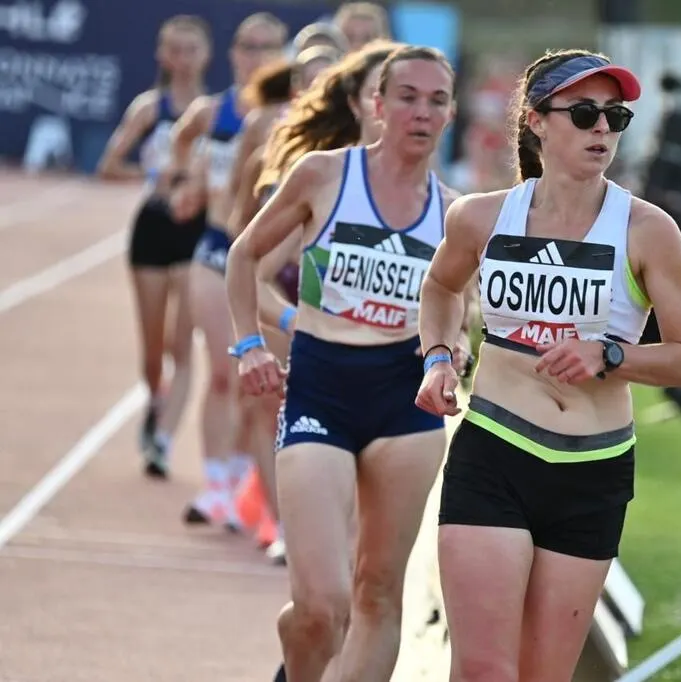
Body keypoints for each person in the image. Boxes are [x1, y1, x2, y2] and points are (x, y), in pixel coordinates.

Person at [414, 49, 681, 680]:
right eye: (583, 113)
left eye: (615, 116)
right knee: (484, 670)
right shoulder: (482, 217)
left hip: (591, 470)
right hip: (493, 451)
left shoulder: (648, 230)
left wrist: (611, 353)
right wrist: (439, 356)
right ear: (538, 122)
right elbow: (440, 289)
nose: (602, 128)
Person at [225, 44, 472, 682]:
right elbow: (244, 256)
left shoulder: (454, 212)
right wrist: (250, 344)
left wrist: (453, 353)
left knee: (378, 594)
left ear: (450, 114)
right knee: (320, 606)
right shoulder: (324, 176)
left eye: (436, 100)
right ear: (377, 105)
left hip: (403, 400)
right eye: (408, 97)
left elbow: (457, 310)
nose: (421, 111)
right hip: (321, 389)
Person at [227, 43, 346, 561]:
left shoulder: (363, 159)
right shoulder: (271, 150)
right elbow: (241, 238)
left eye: (331, 84)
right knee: (272, 406)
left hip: (340, 299)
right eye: (311, 83)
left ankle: (330, 529)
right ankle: (281, 525)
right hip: (282, 288)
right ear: (297, 90)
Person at [167, 11, 287, 526]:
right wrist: (182, 184)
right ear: (233, 52)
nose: (254, 55)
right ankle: (215, 483)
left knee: (255, 384)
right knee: (222, 370)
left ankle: (241, 480)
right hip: (218, 248)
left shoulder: (288, 115)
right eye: (247, 45)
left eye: (266, 47)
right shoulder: (212, 111)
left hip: (269, 256)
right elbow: (180, 144)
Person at [96, 15, 210, 477]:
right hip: (153, 226)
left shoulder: (215, 111)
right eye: (174, 50)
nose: (182, 60)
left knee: (181, 342)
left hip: (196, 230)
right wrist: (153, 176)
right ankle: (155, 398)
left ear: (206, 54)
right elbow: (109, 163)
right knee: (153, 349)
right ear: (162, 56)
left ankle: (162, 439)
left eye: (191, 49)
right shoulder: (151, 107)